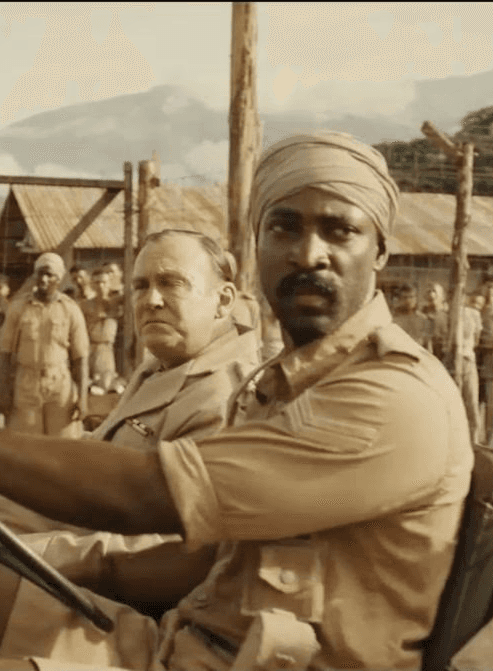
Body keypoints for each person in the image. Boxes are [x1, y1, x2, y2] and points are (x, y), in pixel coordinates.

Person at [0, 132, 473, 671]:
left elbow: (148, 493)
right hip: (181, 646)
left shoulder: (392, 396)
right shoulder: (283, 382)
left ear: (380, 250)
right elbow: (203, 559)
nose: (308, 253)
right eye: (284, 227)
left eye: (338, 230)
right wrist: (53, 564)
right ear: (259, 246)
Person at [0, 253, 89, 438]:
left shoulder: (70, 309)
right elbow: (5, 354)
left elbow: (81, 358)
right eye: (40, 273)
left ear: (60, 278)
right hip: (26, 386)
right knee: (26, 447)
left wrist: (82, 398)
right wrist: (4, 392)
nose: (43, 279)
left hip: (60, 387)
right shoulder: (18, 308)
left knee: (63, 447)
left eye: (49, 275)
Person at [80, 267, 121, 393]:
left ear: (109, 284)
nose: (101, 286)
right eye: (97, 283)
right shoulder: (85, 305)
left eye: (104, 282)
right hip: (90, 346)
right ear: (92, 285)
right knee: (91, 386)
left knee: (108, 385)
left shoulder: (117, 304)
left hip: (109, 348)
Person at [422, 281, 448, 361]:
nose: (431, 294)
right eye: (429, 291)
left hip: (443, 354)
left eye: (434, 291)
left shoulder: (448, 314)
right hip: (425, 354)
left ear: (442, 296)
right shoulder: (422, 313)